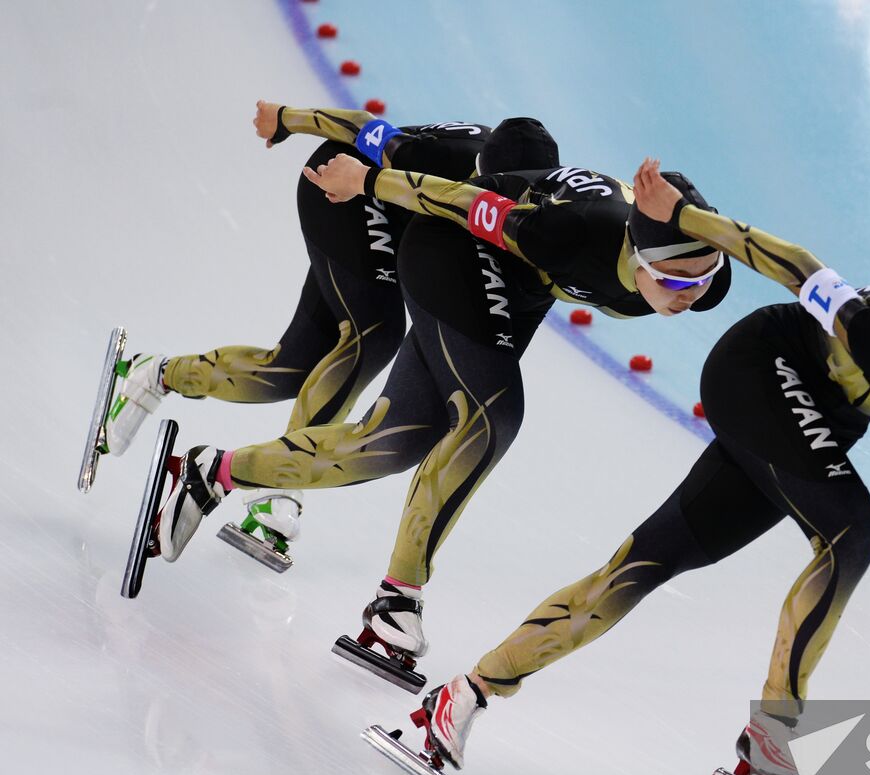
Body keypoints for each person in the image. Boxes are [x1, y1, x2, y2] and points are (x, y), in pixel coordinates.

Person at [384, 158, 870, 775]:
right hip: (761, 370)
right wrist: (683, 218)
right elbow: (792, 261)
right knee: (853, 531)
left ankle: (462, 696)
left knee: (642, 565)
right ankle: (773, 737)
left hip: (813, 418)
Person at [135, 150, 735, 690]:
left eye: (702, 279)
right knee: (494, 416)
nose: (688, 294)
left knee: (388, 444)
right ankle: (398, 599)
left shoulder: (695, 266)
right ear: (636, 249)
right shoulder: (576, 232)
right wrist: (367, 180)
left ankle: (214, 471)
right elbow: (460, 199)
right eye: (677, 279)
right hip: (450, 247)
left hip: (513, 289)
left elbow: (762, 258)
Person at [95, 101, 558, 569]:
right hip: (341, 189)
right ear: (478, 177)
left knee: (291, 367)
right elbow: (361, 126)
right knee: (373, 333)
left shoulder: (539, 212)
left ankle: (156, 374)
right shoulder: (440, 161)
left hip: (399, 225)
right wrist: (285, 118)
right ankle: (275, 490)